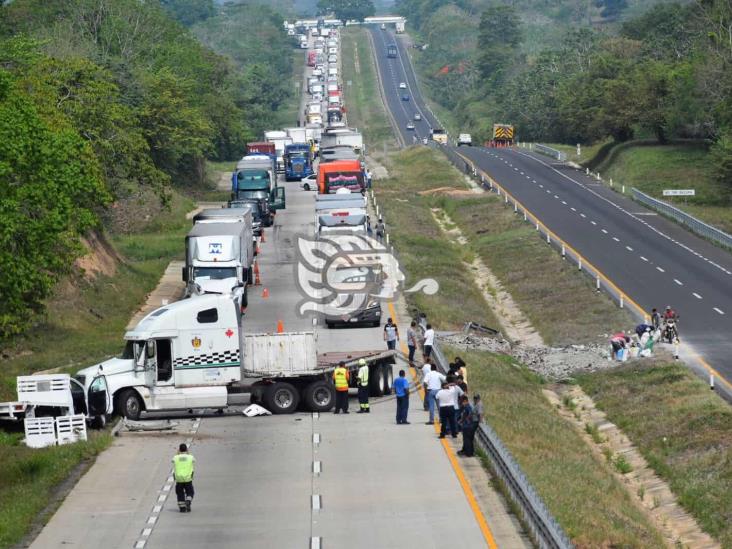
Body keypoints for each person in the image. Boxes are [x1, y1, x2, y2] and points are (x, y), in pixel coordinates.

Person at [172, 443, 195, 513]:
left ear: (179, 449)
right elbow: (194, 461)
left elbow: (172, 461)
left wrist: (178, 454)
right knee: (190, 492)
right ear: (186, 449)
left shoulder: (175, 457)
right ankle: (188, 500)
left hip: (178, 479)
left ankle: (182, 508)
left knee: (179, 493)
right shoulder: (190, 457)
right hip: (188, 478)